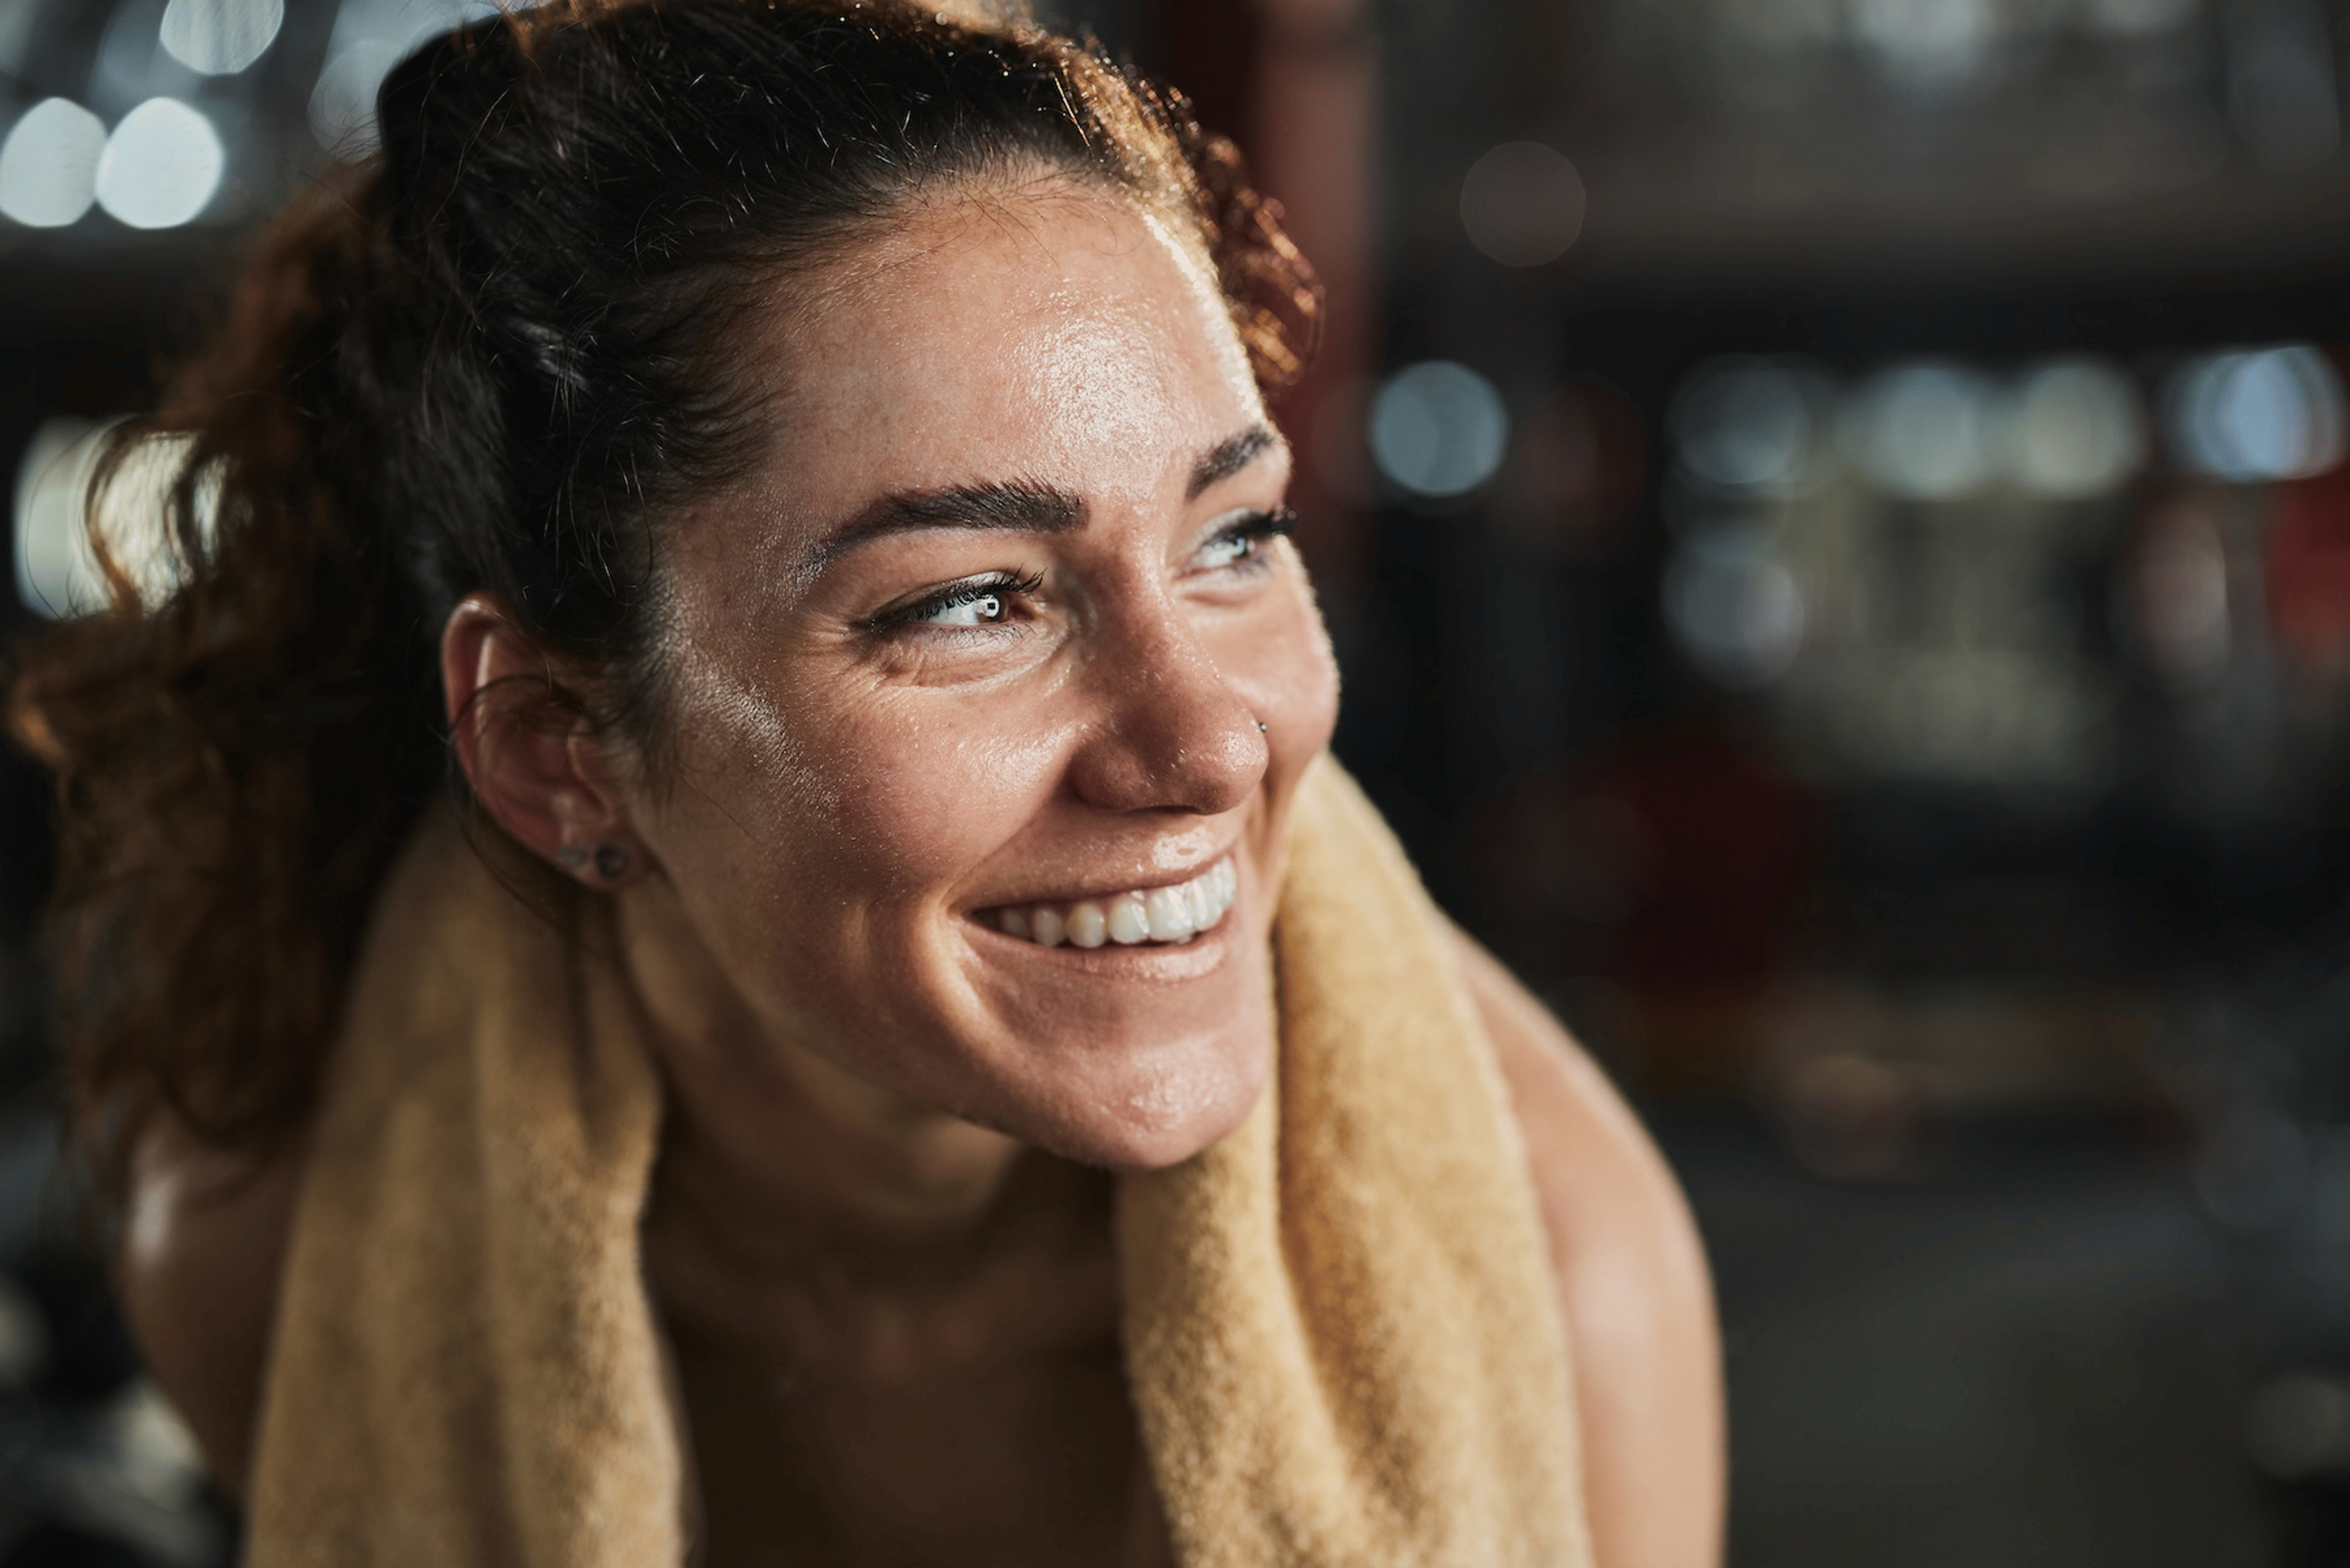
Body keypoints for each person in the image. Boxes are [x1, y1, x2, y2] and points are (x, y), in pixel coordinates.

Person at [7, 1, 1723, 1562]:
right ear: (559, 752)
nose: (1210, 746)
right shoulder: (274, 1245)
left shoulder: (1560, 1282)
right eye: (970, 601)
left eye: (1236, 536)